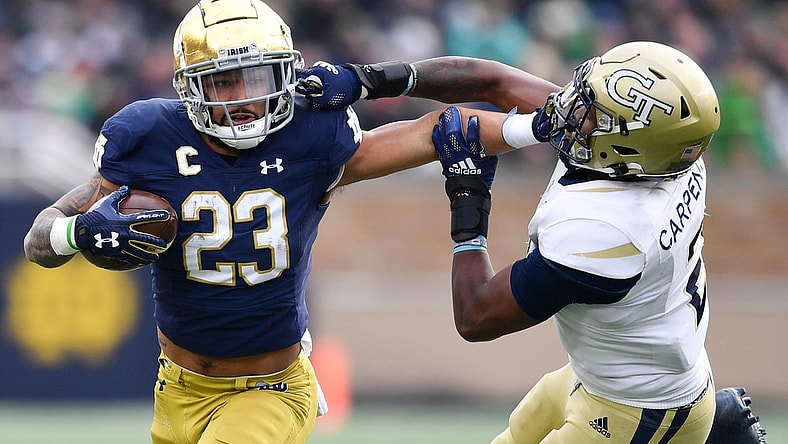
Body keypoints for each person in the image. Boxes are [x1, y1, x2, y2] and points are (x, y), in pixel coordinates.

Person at [22, 1, 556, 443]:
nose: (244, 99)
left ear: (286, 75)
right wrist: (75, 233)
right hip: (176, 388)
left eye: (256, 78)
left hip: (269, 390)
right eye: (223, 83)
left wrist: (535, 128)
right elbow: (39, 239)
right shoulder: (147, 138)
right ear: (189, 87)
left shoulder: (312, 136)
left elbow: (441, 129)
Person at [423, 41, 768, 443]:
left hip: (639, 413)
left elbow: (475, 316)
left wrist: (469, 193)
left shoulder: (610, 234)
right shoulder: (666, 157)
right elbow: (499, 83)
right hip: (607, 377)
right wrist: (378, 80)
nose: (574, 112)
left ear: (628, 145)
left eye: (594, 114)